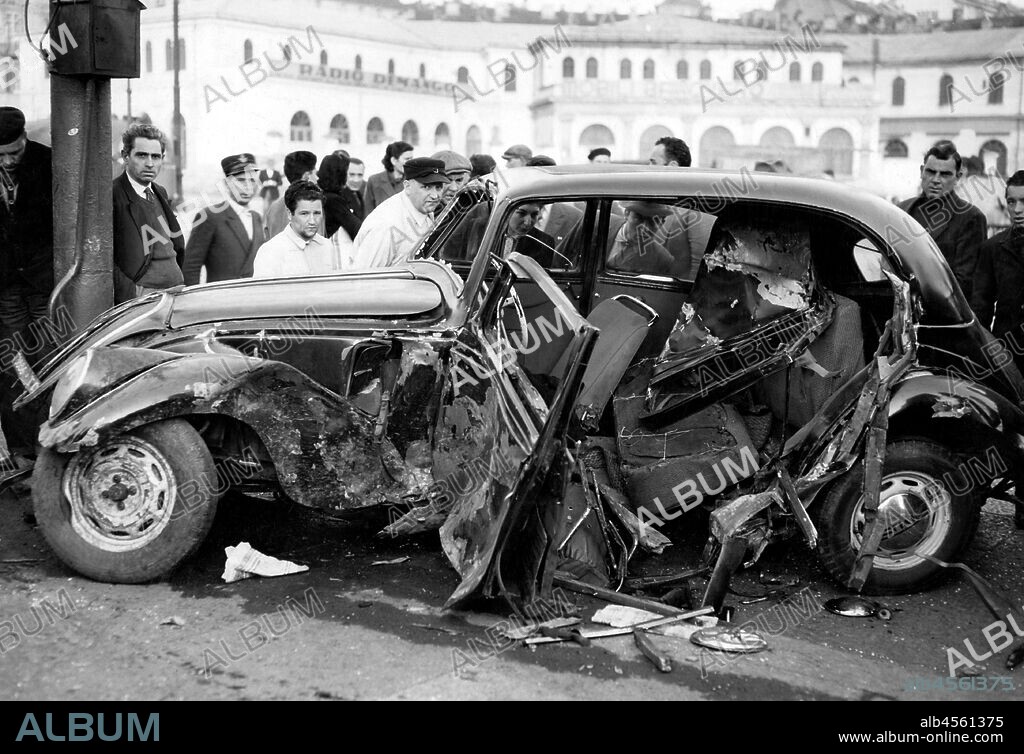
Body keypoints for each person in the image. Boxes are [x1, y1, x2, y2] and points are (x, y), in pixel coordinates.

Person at [0, 107, 54, 455]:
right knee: (12, 364)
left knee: (49, 360)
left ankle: (50, 441)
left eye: (14, 153)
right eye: (0, 155)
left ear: (24, 138)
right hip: (6, 286)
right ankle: (22, 449)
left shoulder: (48, 161)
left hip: (42, 283)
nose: (8, 162)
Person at [899, 141, 986, 299]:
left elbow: (964, 281)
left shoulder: (970, 218)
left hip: (942, 309)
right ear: (921, 171)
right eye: (930, 172)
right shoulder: (902, 210)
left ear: (958, 177)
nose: (936, 180)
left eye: (945, 174)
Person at [112, 122, 184, 303]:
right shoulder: (112, 195)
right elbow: (102, 258)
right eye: (142, 155)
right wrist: (131, 292)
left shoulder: (159, 192)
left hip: (175, 291)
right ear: (125, 156)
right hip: (143, 297)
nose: (150, 164)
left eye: (156, 157)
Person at [181, 153, 266, 285]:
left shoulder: (256, 218)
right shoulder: (209, 216)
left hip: (253, 295)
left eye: (252, 180)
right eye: (240, 180)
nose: (248, 186)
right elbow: (191, 267)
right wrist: (196, 296)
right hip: (221, 296)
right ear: (227, 184)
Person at [352, 157, 448, 268]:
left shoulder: (423, 208)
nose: (435, 196)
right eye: (426, 187)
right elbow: (365, 274)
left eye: (438, 187)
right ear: (407, 186)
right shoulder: (387, 225)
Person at [972, 170, 1024, 370]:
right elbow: (981, 307)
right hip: (1007, 355)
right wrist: (986, 354)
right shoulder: (992, 248)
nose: (1017, 210)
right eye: (1011, 202)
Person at [645, 136, 716, 278]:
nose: (648, 167)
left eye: (653, 162)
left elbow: (701, 265)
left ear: (672, 167)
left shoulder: (696, 207)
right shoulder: (651, 202)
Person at [253, 181, 339, 278]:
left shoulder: (327, 247)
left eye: (317, 213)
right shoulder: (271, 251)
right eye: (304, 214)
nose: (312, 221)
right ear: (289, 214)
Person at [606, 202, 674, 274]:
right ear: (627, 213)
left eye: (652, 222)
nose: (645, 228)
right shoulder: (601, 221)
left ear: (661, 223)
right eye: (639, 218)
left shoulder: (662, 260)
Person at [264, 150, 317, 239]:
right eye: (315, 174)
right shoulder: (314, 208)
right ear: (306, 176)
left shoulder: (273, 207)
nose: (317, 178)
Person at [318, 153, 361, 241]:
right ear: (340, 174)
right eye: (348, 173)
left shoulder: (321, 194)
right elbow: (356, 228)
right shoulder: (334, 200)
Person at [364, 141, 413, 216]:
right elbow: (367, 212)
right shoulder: (374, 181)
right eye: (407, 159)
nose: (411, 163)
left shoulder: (412, 181)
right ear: (394, 160)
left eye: (411, 159)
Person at [503, 202, 559, 267]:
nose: (528, 222)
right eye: (521, 213)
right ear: (507, 212)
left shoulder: (544, 243)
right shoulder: (492, 233)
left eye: (534, 215)